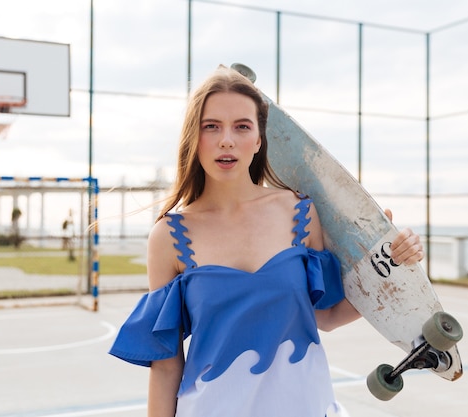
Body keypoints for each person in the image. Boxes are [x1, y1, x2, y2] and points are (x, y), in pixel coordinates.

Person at [109, 66, 424, 417]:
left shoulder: (299, 211)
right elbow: (167, 367)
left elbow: (328, 316)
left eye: (242, 126)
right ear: (193, 138)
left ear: (259, 139)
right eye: (211, 126)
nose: (226, 139)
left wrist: (389, 263)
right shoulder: (168, 237)